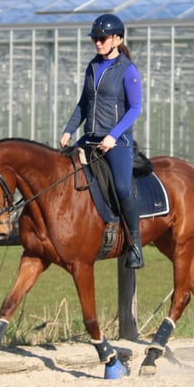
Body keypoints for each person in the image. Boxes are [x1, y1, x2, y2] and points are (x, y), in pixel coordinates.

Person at [60, 13, 144, 269]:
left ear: (117, 39)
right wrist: (69, 130)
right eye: (95, 38)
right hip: (90, 138)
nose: (97, 42)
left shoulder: (128, 70)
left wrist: (113, 136)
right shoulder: (92, 66)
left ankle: (136, 245)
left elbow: (135, 108)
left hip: (116, 143)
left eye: (102, 38)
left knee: (121, 188)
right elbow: (84, 103)